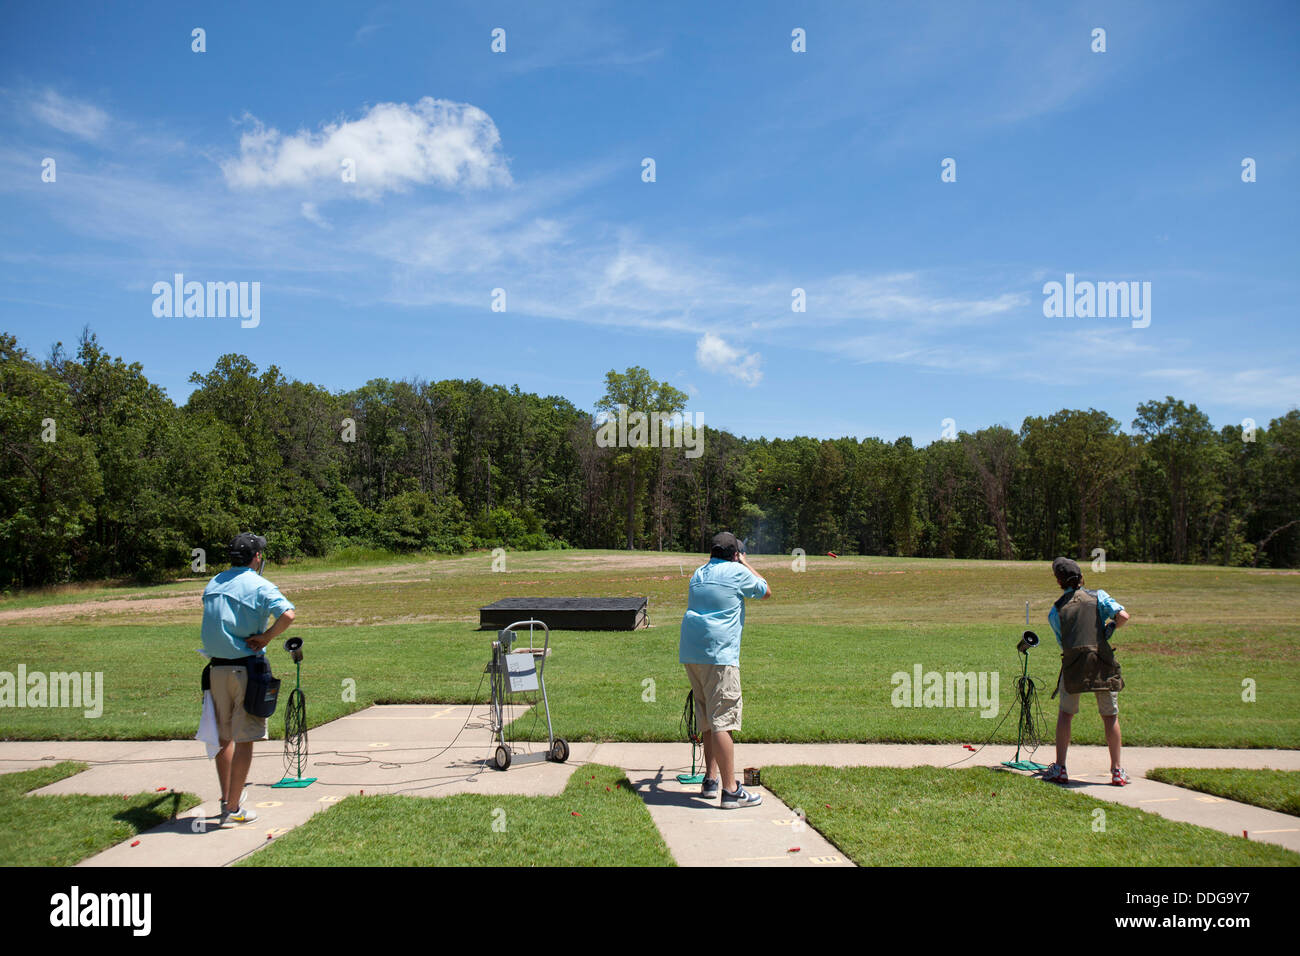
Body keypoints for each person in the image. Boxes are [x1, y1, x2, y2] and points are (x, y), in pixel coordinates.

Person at [200, 533, 296, 825]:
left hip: (216, 669)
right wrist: (266, 637)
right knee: (246, 738)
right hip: (246, 669)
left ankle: (227, 799)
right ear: (256, 557)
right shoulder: (259, 585)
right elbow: (288, 614)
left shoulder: (213, 581)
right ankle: (232, 808)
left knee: (222, 737)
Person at [679, 531, 771, 808]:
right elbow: (765, 590)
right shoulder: (736, 570)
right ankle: (731, 791)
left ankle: (711, 780)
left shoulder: (699, 573)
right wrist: (744, 563)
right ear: (734, 554)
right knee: (724, 721)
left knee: (707, 718)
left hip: (693, 654)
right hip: (720, 656)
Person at [1041, 556, 1131, 786]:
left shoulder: (1056, 610)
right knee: (1110, 716)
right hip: (1102, 662)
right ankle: (1117, 770)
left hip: (1074, 664)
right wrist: (1108, 629)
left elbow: (1064, 642)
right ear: (1081, 577)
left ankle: (1060, 767)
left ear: (1059, 582)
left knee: (1066, 714)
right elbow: (1122, 616)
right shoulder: (1098, 596)